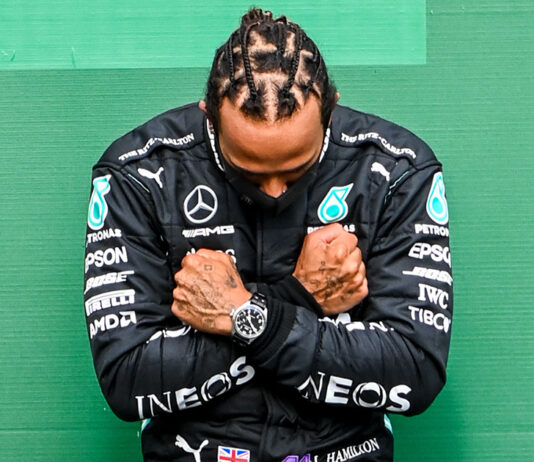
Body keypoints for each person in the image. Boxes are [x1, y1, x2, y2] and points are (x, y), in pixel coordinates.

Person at [84, 8, 453, 462]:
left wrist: (239, 313)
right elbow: (126, 381)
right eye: (250, 172)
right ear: (209, 119)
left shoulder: (396, 170)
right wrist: (299, 299)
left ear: (331, 110)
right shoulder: (138, 174)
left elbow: (415, 372)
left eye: (297, 170)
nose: (275, 192)